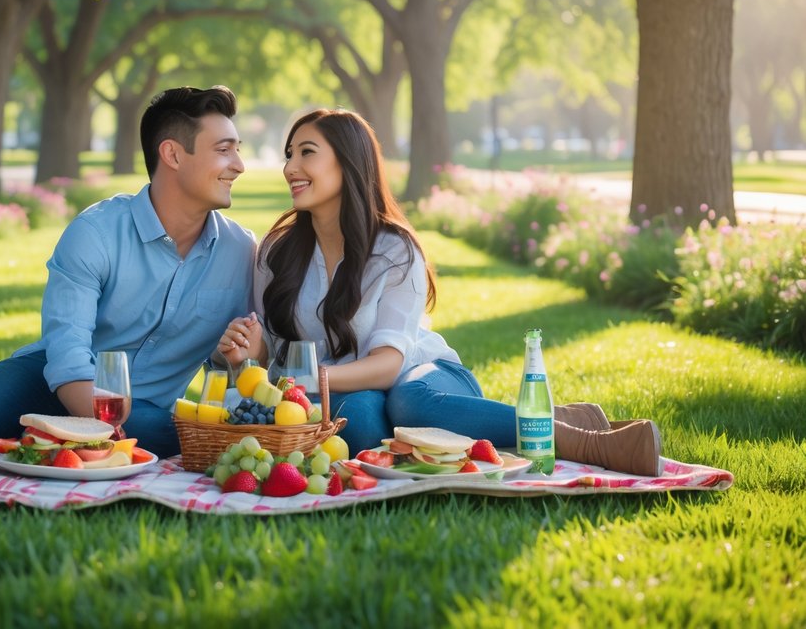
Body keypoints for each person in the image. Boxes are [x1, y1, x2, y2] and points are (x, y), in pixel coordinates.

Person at [217, 108, 662, 476]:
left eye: (306, 153)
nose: (290, 167)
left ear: (347, 163)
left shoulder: (394, 249)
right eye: (289, 154)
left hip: (421, 374)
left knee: (408, 400)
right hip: (345, 394)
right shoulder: (276, 252)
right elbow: (272, 357)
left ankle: (578, 439)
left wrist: (314, 379)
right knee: (366, 422)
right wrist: (249, 351)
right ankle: (557, 417)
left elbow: (390, 364)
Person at [0, 86, 256, 457]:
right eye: (224, 150)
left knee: (198, 435)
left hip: (147, 411)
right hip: (50, 382)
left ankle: (44, 438)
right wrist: (101, 429)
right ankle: (49, 434)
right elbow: (68, 354)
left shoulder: (240, 252)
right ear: (172, 153)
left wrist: (231, 356)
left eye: (237, 150)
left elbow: (231, 367)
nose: (238, 165)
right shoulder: (96, 232)